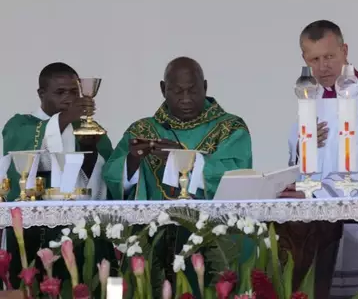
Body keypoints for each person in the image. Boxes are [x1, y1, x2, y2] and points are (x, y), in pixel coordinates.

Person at [283, 20, 358, 298]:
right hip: (314, 227)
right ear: (304, 59)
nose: (323, 66)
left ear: (345, 50)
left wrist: (315, 195)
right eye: (314, 59)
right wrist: (305, 146)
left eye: (330, 56)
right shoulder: (308, 98)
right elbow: (296, 160)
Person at [2, 62, 113, 287]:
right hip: (33, 231)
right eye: (60, 92)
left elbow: (104, 175)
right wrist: (64, 120)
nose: (69, 98)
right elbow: (18, 149)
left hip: (80, 230)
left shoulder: (86, 126)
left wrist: (89, 148)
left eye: (74, 92)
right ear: (41, 94)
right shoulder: (21, 124)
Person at [102, 56, 252, 200]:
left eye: (192, 91)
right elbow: (109, 179)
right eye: (178, 92)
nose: (186, 99)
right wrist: (132, 161)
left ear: (205, 87)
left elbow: (237, 179)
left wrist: (185, 160)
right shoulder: (142, 130)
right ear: (163, 89)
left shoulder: (230, 128)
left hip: (213, 225)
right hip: (151, 224)